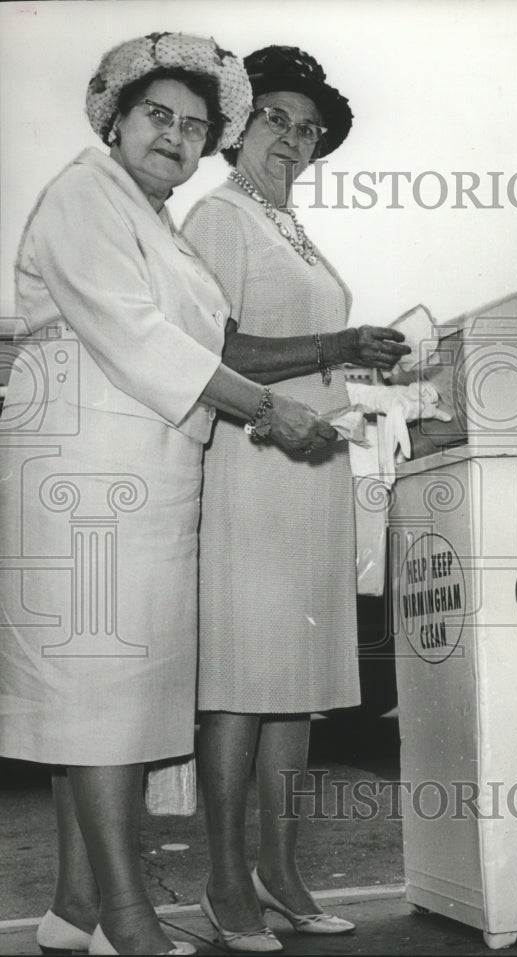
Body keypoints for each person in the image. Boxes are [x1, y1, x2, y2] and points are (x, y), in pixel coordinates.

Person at [0, 34, 342, 957]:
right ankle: (126, 918)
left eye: (195, 125)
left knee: (118, 701)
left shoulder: (156, 221)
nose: (178, 136)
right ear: (115, 117)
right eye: (159, 114)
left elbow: (196, 335)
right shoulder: (84, 192)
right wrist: (269, 406)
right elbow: (144, 336)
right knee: (101, 699)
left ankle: (73, 908)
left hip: (151, 480)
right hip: (85, 480)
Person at [181, 46, 410, 952]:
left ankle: (281, 872)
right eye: (275, 117)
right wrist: (335, 342)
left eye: (308, 129)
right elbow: (216, 349)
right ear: (239, 126)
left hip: (314, 471)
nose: (293, 138)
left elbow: (308, 342)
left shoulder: (290, 227)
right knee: (242, 684)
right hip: (249, 465)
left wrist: (358, 358)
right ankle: (223, 881)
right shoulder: (219, 215)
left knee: (295, 690)